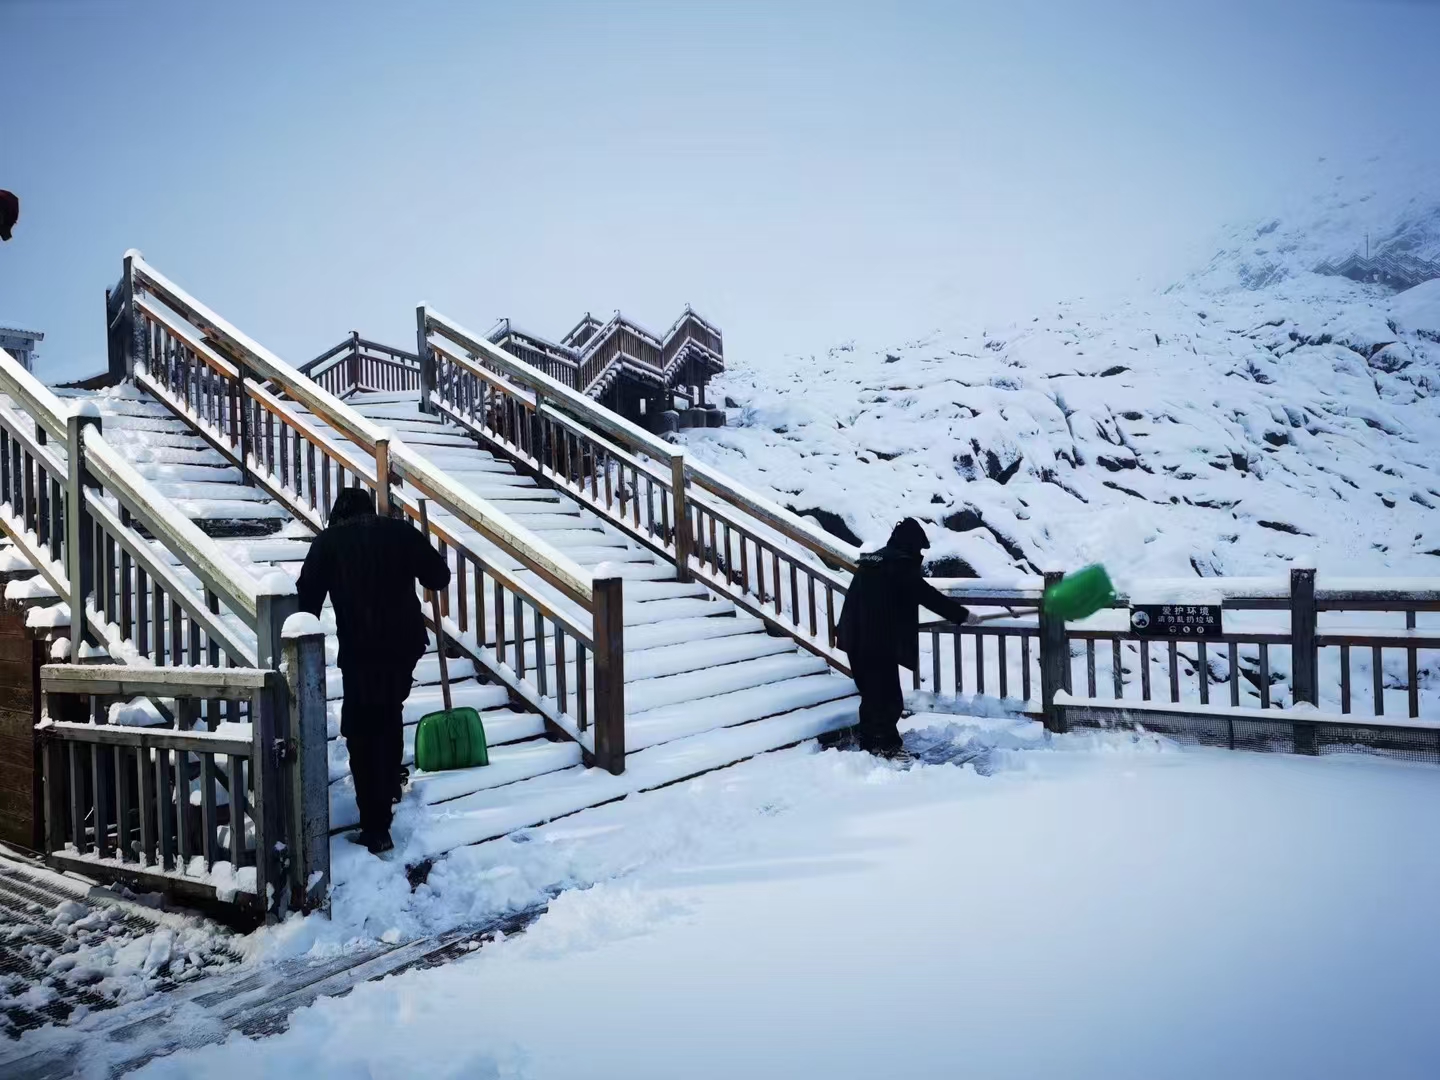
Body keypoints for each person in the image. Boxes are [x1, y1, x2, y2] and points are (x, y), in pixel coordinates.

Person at [297, 488, 450, 854]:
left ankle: (375, 825)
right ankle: (390, 782)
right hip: (404, 645)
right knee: (388, 711)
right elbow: (439, 577)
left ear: (338, 516)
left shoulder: (329, 542)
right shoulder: (399, 532)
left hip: (363, 650)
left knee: (363, 730)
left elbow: (306, 601)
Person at [836, 518, 972, 758]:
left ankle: (872, 744)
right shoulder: (899, 565)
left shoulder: (875, 560)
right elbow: (926, 595)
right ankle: (883, 744)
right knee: (888, 698)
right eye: (919, 548)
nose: (919, 553)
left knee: (872, 694)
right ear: (910, 544)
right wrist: (963, 615)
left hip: (855, 636)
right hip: (875, 641)